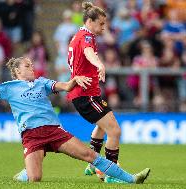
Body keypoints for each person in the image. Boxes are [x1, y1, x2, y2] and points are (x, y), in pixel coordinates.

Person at [0, 57, 150, 183]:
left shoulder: (41, 82)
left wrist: (75, 79)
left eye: (32, 65)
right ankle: (26, 173)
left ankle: (131, 179)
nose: (32, 68)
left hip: (54, 131)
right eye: (28, 66)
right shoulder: (8, 87)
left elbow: (65, 86)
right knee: (35, 178)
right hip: (31, 135)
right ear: (17, 71)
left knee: (90, 155)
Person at [67, 1, 125, 179]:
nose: (103, 27)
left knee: (102, 127)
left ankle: (93, 165)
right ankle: (111, 174)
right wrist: (99, 63)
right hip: (85, 95)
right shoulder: (86, 37)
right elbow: (88, 53)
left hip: (87, 93)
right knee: (114, 130)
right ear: (89, 21)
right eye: (101, 23)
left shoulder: (79, 35)